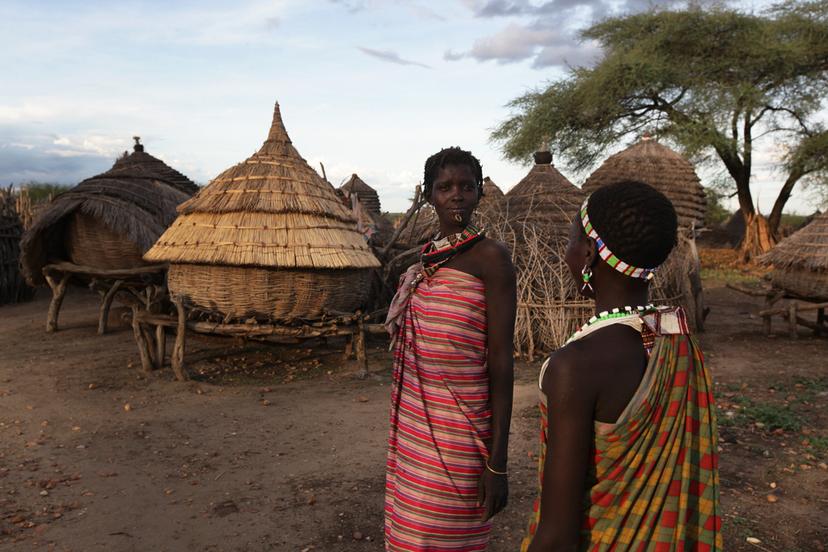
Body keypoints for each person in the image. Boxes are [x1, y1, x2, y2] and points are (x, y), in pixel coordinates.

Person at [522, 180, 722, 552]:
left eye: (571, 240)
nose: (567, 251)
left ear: (589, 254)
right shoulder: (675, 339)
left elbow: (557, 538)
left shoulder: (576, 366)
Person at [384, 147, 517, 551]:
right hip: (415, 432)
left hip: (464, 433)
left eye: (466, 186)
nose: (456, 194)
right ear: (429, 196)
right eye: (444, 187)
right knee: (409, 535)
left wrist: (497, 463)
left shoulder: (492, 259)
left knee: (447, 538)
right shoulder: (426, 261)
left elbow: (501, 361)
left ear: (480, 193)